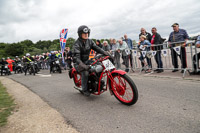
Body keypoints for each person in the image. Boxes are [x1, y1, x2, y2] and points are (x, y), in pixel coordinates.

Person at [72, 25, 110, 96]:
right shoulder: (76, 44)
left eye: (87, 33)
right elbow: (76, 57)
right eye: (84, 33)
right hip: (79, 63)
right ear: (80, 34)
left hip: (87, 60)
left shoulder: (90, 41)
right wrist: (83, 65)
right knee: (85, 72)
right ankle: (84, 89)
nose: (86, 35)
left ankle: (97, 82)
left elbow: (97, 48)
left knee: (100, 66)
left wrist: (106, 53)